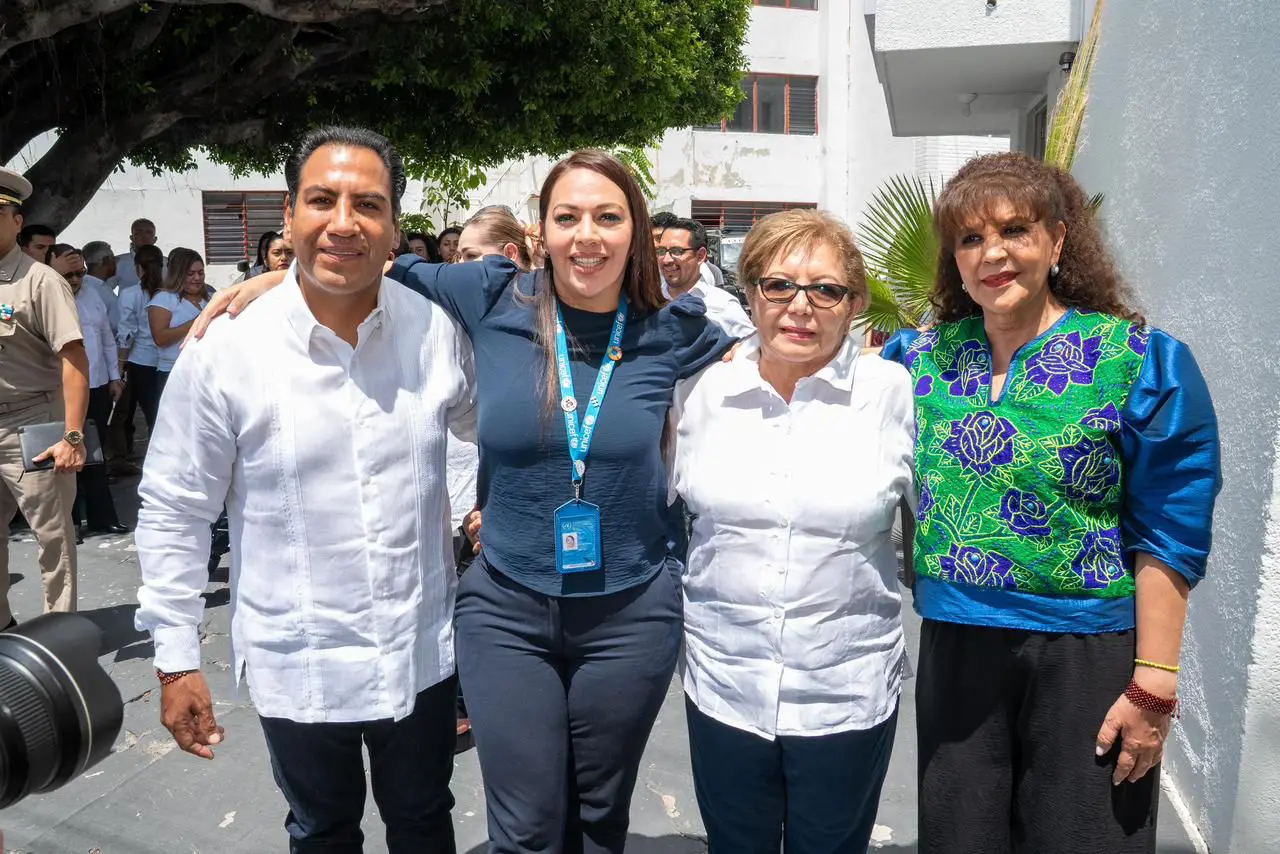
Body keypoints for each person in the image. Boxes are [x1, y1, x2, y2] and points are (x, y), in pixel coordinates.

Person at [191, 149, 735, 853]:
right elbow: (376, 264)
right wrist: (281, 278)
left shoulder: (674, 330)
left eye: (609, 216)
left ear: (636, 231)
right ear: (543, 232)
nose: (588, 235)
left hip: (629, 612)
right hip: (506, 608)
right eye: (568, 217)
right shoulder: (492, 294)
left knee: (599, 819)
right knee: (527, 827)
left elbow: (775, 362)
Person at [134, 126, 472, 853]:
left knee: (423, 821)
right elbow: (175, 508)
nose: (344, 222)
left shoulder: (436, 334)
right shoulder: (228, 348)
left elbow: (494, 425)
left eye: (368, 205)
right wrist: (176, 656)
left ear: (393, 227)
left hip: (419, 654)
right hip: (301, 661)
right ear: (289, 214)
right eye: (323, 200)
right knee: (320, 831)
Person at [879, 152, 1221, 853]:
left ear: (1058, 241)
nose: (992, 254)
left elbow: (1171, 527)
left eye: (1015, 231)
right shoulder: (914, 359)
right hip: (957, 645)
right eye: (971, 239)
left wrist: (1154, 685)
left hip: (1086, 656)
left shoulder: (1138, 361)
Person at [668, 209, 914, 854]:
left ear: (854, 303)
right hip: (725, 683)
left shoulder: (893, 392)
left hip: (842, 690)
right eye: (779, 285)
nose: (800, 307)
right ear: (749, 293)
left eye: (826, 289)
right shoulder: (702, 392)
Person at [0, 168, 89, 631]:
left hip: (33, 424)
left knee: (52, 536)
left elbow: (74, 361)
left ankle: (61, 635)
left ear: (17, 222)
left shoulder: (40, 282)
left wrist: (73, 435)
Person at [60, 248, 127, 537]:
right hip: (61, 389)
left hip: (97, 385)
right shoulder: (49, 296)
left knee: (95, 455)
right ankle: (71, 521)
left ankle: (102, 517)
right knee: (65, 454)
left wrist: (114, 377)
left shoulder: (93, 295)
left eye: (80, 273)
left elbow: (106, 339)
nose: (76, 279)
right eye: (69, 274)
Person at [656, 217, 753, 337]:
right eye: (661, 251)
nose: (666, 260)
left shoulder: (723, 305)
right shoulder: (649, 301)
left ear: (700, 256)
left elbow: (752, 346)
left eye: (676, 251)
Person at [116, 244, 165, 452]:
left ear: (138, 268)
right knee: (165, 412)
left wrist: (120, 364)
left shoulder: (129, 294)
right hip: (167, 359)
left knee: (149, 412)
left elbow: (126, 334)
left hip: (140, 360)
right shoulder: (170, 292)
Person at [147, 248, 207, 398]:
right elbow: (161, 339)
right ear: (178, 275)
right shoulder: (164, 299)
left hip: (206, 372)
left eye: (201, 273)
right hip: (174, 372)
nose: (197, 278)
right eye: (190, 274)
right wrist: (198, 321)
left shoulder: (210, 298)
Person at [80, 241, 121, 336]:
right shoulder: (93, 289)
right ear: (106, 260)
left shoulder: (94, 285)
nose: (116, 263)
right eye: (114, 259)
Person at [114, 218, 158, 288]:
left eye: (149, 232)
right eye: (138, 232)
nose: (144, 236)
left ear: (155, 239)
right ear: (131, 238)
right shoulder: (118, 262)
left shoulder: (167, 264)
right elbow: (105, 290)